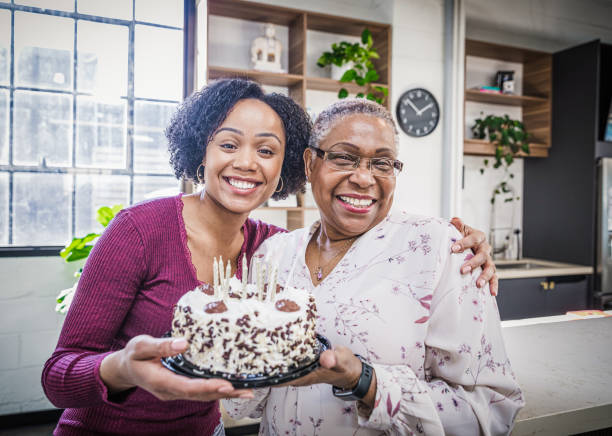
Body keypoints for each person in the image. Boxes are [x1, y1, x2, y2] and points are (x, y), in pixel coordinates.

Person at [42, 78, 496, 435]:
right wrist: (122, 368)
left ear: (286, 165)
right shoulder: (139, 230)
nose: (247, 163)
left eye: (266, 150)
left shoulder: (273, 248)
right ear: (200, 149)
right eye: (228, 144)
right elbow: (57, 376)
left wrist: (465, 245)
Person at [224, 98, 523, 435]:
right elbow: (248, 402)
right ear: (310, 163)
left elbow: (493, 408)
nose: (364, 178)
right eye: (343, 157)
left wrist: (367, 383)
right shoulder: (272, 255)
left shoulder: (440, 249)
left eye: (382, 163)